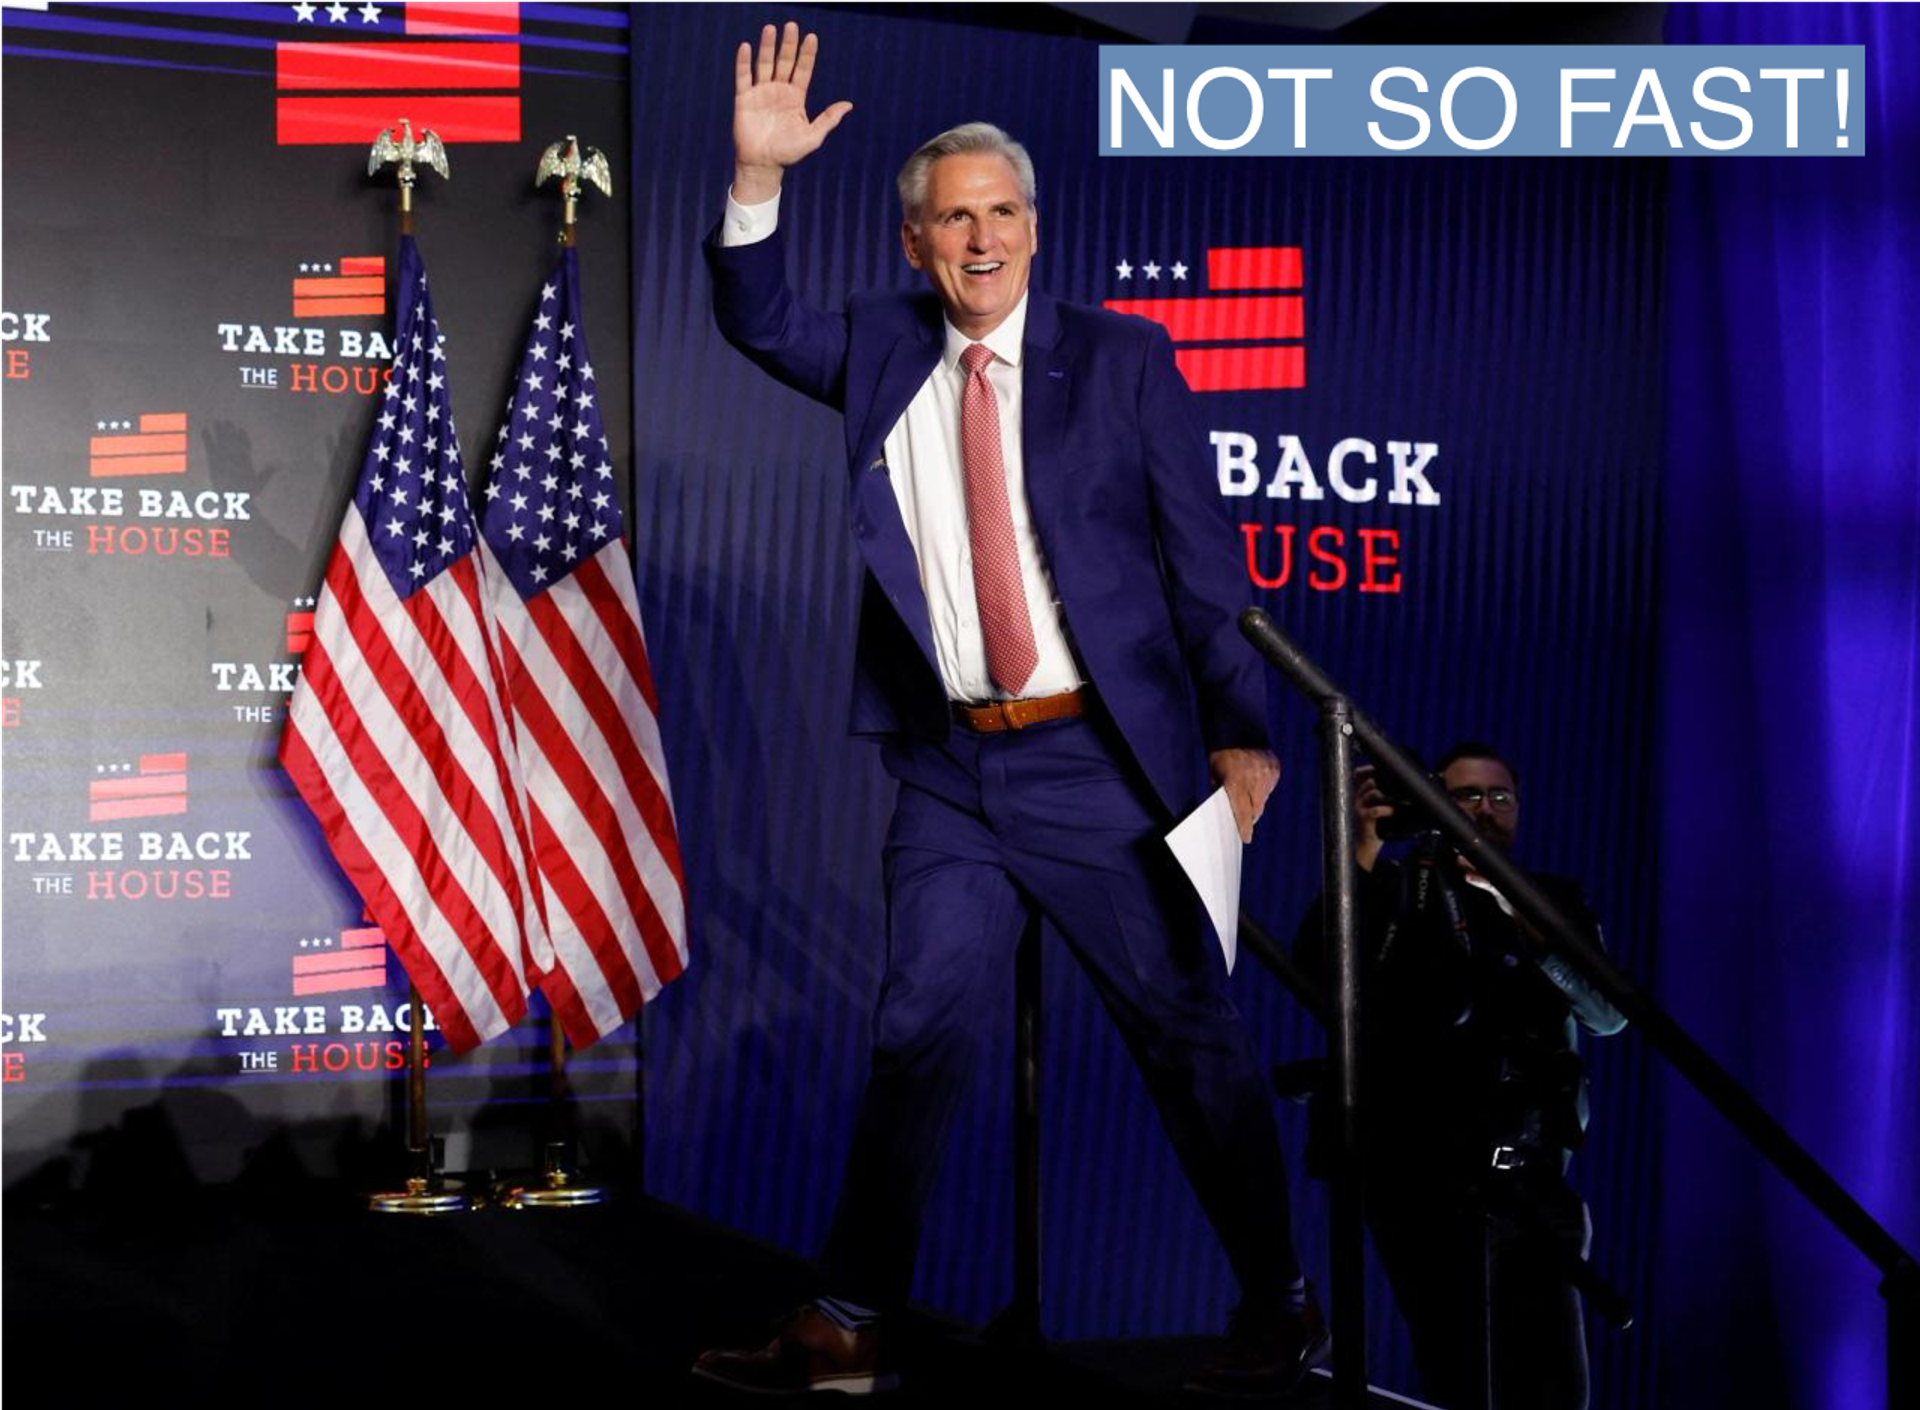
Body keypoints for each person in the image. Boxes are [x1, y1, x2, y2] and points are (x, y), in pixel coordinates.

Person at [691, 22, 1324, 1399]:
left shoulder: (1124, 358)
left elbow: (1203, 567)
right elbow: (755, 317)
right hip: (950, 776)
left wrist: (1241, 727)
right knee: (917, 1027)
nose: (979, 239)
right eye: (950, 219)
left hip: (1102, 760)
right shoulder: (872, 343)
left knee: (1189, 1037)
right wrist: (756, 180)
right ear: (914, 243)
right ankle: (845, 1321)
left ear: (1034, 228)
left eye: (1000, 212)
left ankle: (1279, 1297)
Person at [1299, 742, 1626, 1410]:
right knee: (1461, 1373)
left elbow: (1609, 1013)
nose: (1485, 809)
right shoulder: (1397, 889)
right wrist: (1361, 845)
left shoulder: (1552, 902)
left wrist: (1516, 906)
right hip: (1424, 1173)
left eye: (1500, 796)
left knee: (1554, 1382)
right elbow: (1321, 976)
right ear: (1431, 806)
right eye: (1466, 796)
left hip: (1532, 1173)